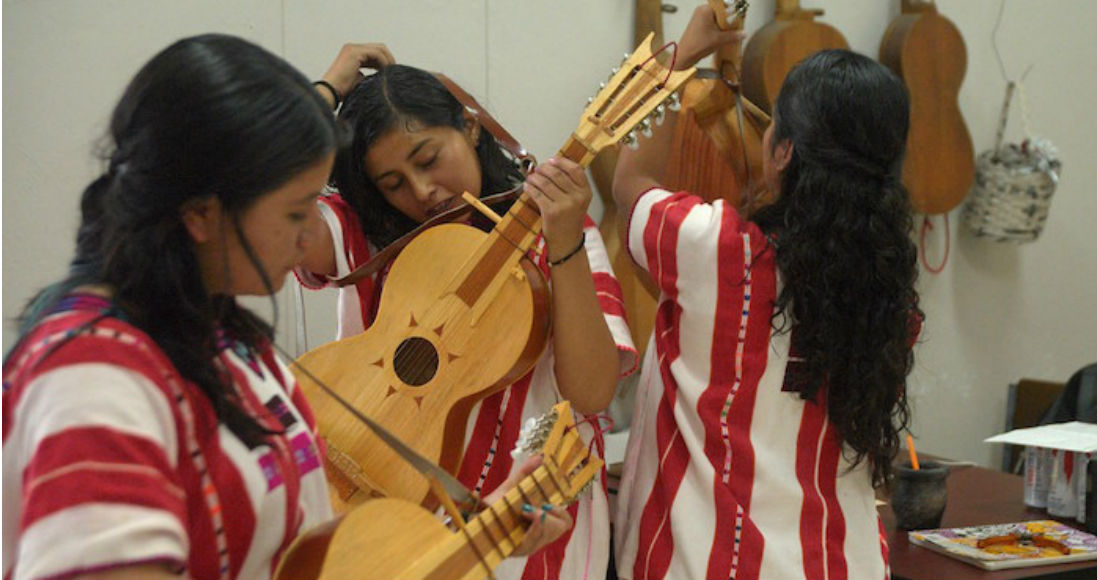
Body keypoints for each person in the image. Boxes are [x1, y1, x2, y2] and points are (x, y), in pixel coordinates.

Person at [2, 34, 568, 580]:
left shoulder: (232, 345)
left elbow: (310, 549)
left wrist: (474, 535)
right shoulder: (93, 378)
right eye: (297, 212)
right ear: (201, 213)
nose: (307, 241)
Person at [611, 5, 923, 580]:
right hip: (841, 562)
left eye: (774, 123)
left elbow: (628, 182)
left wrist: (683, 54)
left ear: (783, 152)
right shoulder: (889, 294)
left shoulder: (717, 249)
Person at [296, 61, 638, 579]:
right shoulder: (372, 238)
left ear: (470, 126)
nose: (422, 190)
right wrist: (323, 92)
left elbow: (591, 394)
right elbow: (243, 202)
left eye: (429, 159)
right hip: (389, 519)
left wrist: (565, 239)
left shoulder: (562, 229)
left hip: (534, 534)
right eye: (393, 183)